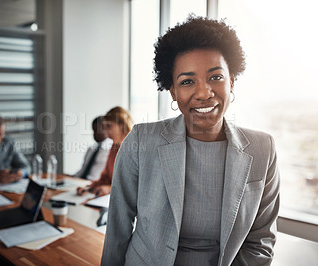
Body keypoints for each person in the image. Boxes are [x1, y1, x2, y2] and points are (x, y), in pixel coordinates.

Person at [101, 16, 280, 266]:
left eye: (216, 77)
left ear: (232, 81)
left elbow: (260, 241)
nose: (204, 93)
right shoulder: (141, 141)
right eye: (187, 82)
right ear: (173, 91)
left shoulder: (263, 149)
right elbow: (118, 228)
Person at [77, 106, 133, 197]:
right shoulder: (114, 147)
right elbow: (105, 178)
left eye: (109, 126)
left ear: (121, 125)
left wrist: (109, 189)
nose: (106, 132)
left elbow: (133, 186)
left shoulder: (134, 149)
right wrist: (89, 187)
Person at [75, 116, 112, 181]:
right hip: (80, 181)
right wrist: (73, 177)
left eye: (97, 130)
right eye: (93, 130)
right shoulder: (91, 149)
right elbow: (83, 170)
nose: (94, 134)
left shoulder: (111, 150)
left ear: (105, 129)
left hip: (95, 184)